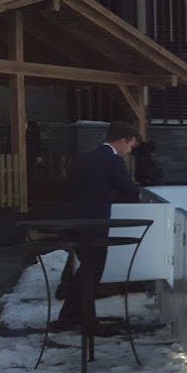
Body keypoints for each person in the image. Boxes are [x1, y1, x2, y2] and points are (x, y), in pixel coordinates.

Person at [53, 122, 142, 333]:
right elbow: (128, 190)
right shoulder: (112, 161)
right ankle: (85, 321)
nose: (129, 151)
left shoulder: (86, 157)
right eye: (130, 146)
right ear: (123, 141)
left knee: (86, 270)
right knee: (92, 272)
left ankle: (70, 316)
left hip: (74, 222)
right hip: (94, 224)